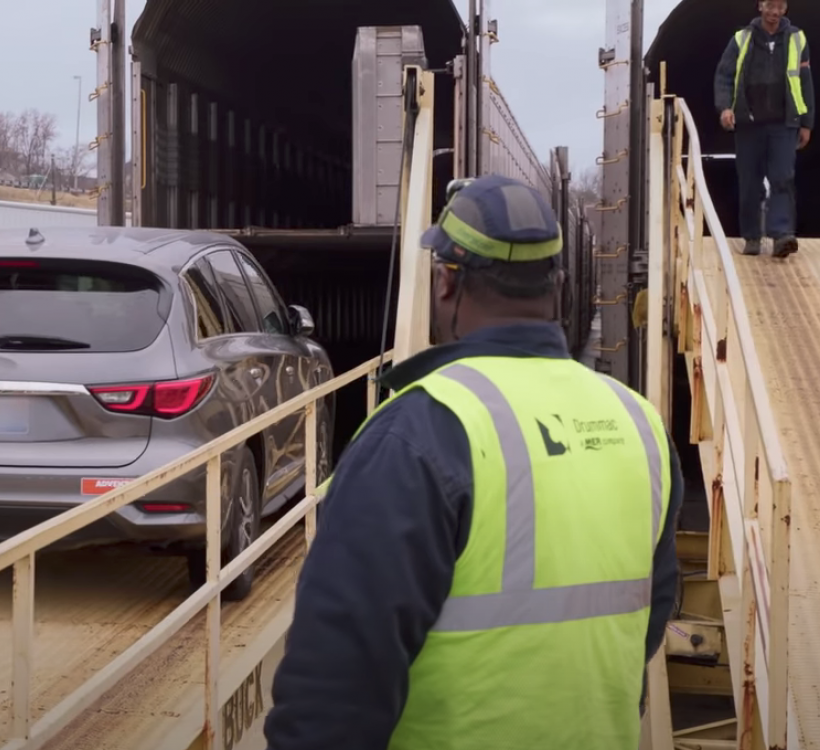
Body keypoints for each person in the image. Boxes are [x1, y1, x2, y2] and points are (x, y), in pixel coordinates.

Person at [262, 174, 683, 750]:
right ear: (557, 285)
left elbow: (333, 693)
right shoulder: (639, 424)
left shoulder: (417, 434)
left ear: (445, 283)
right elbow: (651, 614)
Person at [714, 0, 813, 258]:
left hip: (784, 123)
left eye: (780, 6)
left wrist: (806, 122)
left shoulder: (797, 39)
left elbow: (805, 83)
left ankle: (781, 235)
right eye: (770, 5)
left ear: (786, 8)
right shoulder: (741, 39)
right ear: (760, 6)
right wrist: (725, 108)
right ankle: (752, 237)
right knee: (750, 183)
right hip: (749, 124)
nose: (774, 12)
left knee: (782, 178)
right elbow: (724, 76)